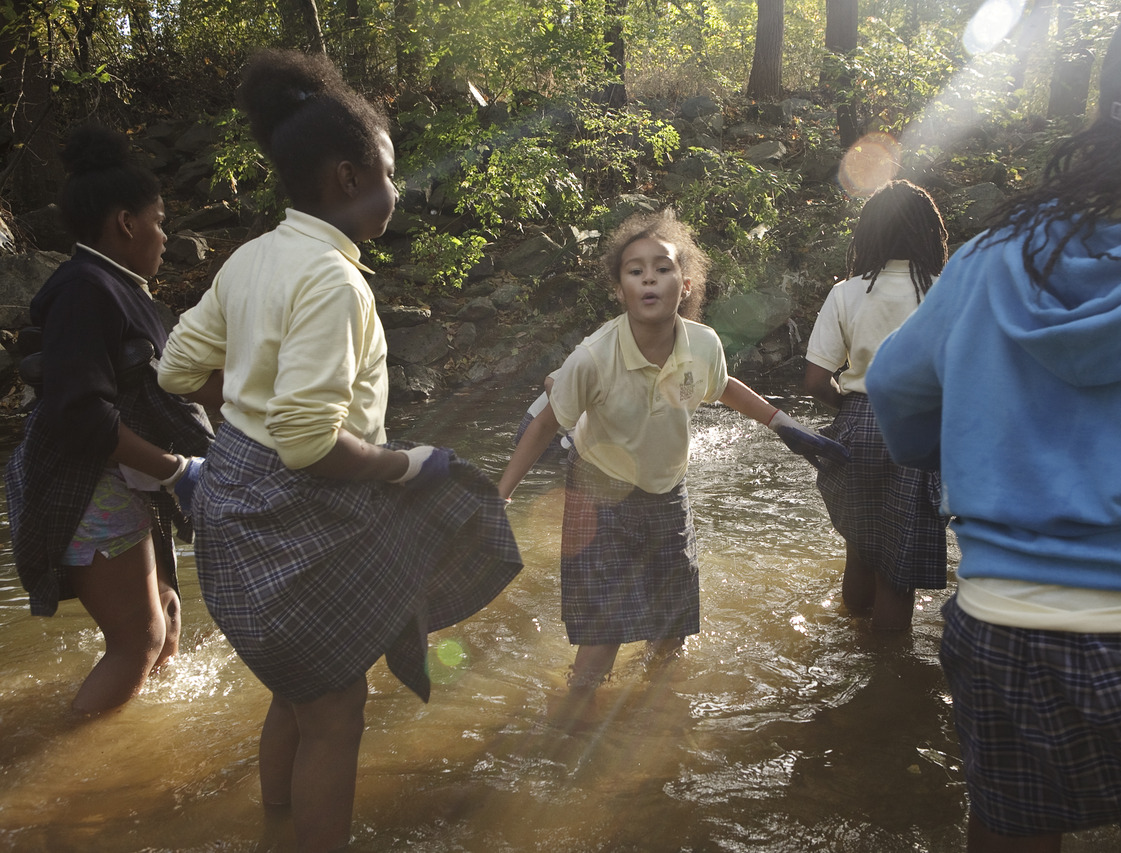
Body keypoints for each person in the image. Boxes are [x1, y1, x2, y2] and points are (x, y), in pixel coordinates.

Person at [864, 0, 1121, 850]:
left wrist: (971, 455)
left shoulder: (990, 255)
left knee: (1008, 830)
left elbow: (896, 393)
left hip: (1002, 619)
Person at [156, 50, 521, 853]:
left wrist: (244, 410)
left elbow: (176, 367)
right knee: (334, 711)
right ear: (347, 176)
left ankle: (274, 829)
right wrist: (405, 464)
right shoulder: (333, 279)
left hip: (233, 503)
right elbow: (311, 442)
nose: (398, 190)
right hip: (296, 514)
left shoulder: (250, 258)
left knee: (296, 693)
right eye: (390, 173)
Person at [498, 208, 847, 704]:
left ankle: (653, 722)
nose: (649, 278)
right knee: (603, 637)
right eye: (635, 270)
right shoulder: (594, 356)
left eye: (662, 268)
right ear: (620, 290)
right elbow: (545, 424)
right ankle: (570, 725)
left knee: (672, 631)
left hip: (666, 493)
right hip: (598, 492)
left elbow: (723, 387)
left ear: (684, 284)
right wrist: (501, 495)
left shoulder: (701, 344)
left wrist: (783, 424)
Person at [3, 126, 213, 716]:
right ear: (126, 222)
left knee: (166, 618)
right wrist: (176, 471)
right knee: (139, 639)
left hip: (126, 479)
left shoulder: (116, 288)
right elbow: (81, 414)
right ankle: (64, 779)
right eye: (160, 219)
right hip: (86, 480)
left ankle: (134, 743)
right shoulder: (84, 290)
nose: (166, 236)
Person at [803, 180, 950, 630]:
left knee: (861, 547)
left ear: (868, 235)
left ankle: (851, 643)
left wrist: (848, 409)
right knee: (898, 569)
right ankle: (887, 676)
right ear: (930, 234)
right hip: (921, 431)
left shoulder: (847, 292)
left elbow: (814, 379)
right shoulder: (945, 292)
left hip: (857, 424)